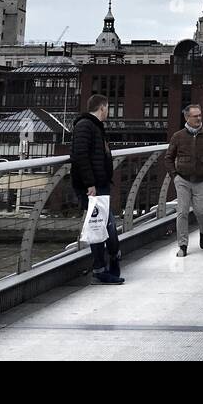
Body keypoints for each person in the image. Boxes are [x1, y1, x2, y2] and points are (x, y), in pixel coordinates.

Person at [70, 94, 124, 284]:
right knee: (101, 227)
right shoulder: (85, 126)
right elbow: (81, 155)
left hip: (99, 184)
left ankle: (110, 262)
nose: (108, 111)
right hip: (92, 187)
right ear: (102, 107)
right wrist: (90, 184)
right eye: (108, 107)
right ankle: (102, 268)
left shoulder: (95, 127)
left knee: (105, 226)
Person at [164, 103, 203, 257]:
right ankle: (182, 245)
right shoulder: (178, 136)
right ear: (186, 117)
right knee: (182, 212)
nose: (198, 118)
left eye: (200, 115)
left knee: (201, 211)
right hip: (182, 179)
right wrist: (174, 176)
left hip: (202, 180)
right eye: (195, 116)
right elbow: (168, 157)